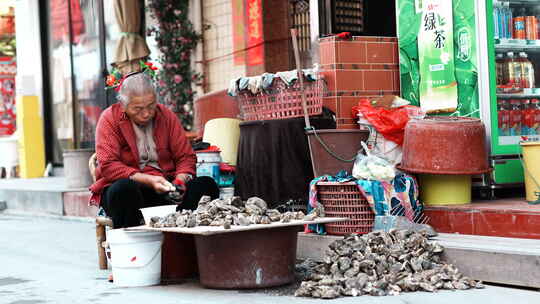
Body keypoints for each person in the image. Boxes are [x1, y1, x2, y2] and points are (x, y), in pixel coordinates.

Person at [89, 71, 219, 228]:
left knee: (206, 185)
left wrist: (180, 181)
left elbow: (185, 157)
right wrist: (148, 180)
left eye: (151, 106)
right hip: (132, 191)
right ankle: (135, 248)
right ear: (123, 105)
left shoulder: (166, 115)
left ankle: (181, 242)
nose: (146, 114)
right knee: (122, 190)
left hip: (165, 187)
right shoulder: (110, 118)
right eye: (137, 109)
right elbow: (108, 164)